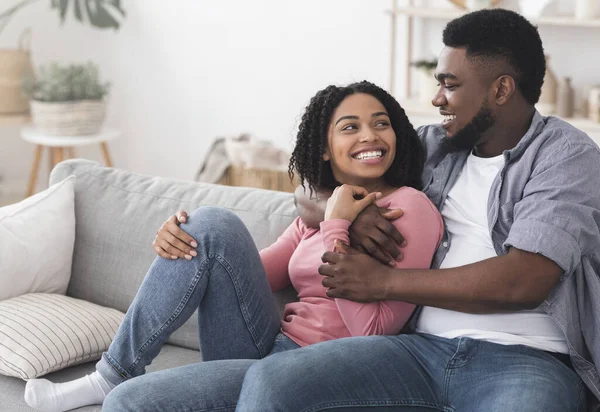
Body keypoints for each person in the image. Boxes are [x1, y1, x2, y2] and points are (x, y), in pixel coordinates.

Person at [228, 8, 600, 412]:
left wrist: (385, 282)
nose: (437, 99)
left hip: (525, 359)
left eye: (450, 85)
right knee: (272, 380)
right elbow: (314, 182)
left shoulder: (566, 155)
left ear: (501, 89)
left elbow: (524, 281)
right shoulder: (431, 145)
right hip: (416, 352)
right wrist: (349, 213)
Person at [24, 81, 444, 412]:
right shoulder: (313, 214)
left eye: (381, 122)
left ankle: (113, 387)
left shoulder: (409, 207)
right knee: (209, 223)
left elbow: (371, 332)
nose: (369, 135)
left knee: (128, 405)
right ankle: (112, 371)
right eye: (350, 127)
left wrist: (337, 224)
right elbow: (241, 274)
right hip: (264, 350)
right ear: (324, 148)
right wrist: (185, 244)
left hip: (319, 373)